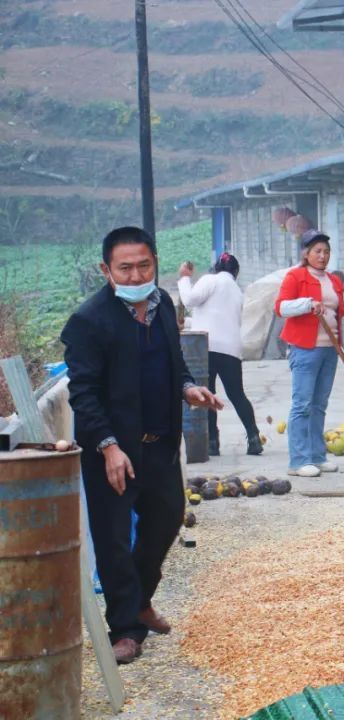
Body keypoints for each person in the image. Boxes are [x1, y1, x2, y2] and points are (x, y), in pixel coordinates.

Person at [61, 226, 222, 664]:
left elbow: (174, 365)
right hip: (111, 452)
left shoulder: (163, 305)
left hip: (160, 444)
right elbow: (84, 394)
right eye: (125, 268)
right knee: (113, 539)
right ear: (106, 270)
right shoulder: (88, 321)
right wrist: (110, 447)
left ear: (155, 263)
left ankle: (140, 598)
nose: (135, 276)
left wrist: (190, 389)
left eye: (144, 265)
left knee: (166, 520)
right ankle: (127, 629)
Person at [274, 229, 344, 478]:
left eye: (326, 251)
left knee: (319, 405)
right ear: (306, 253)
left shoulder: (334, 281)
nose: (322, 256)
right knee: (302, 404)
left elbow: (341, 318)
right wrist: (307, 304)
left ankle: (316, 455)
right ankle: (298, 460)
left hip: (329, 350)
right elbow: (280, 307)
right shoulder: (296, 276)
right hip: (305, 349)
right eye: (317, 251)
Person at [177, 253, 262, 456]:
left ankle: (213, 442)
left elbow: (189, 299)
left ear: (216, 269)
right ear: (236, 272)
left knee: (208, 395)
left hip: (205, 346)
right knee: (237, 394)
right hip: (230, 350)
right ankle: (253, 437)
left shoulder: (210, 279)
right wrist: (187, 323)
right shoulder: (237, 291)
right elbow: (216, 317)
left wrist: (185, 277)